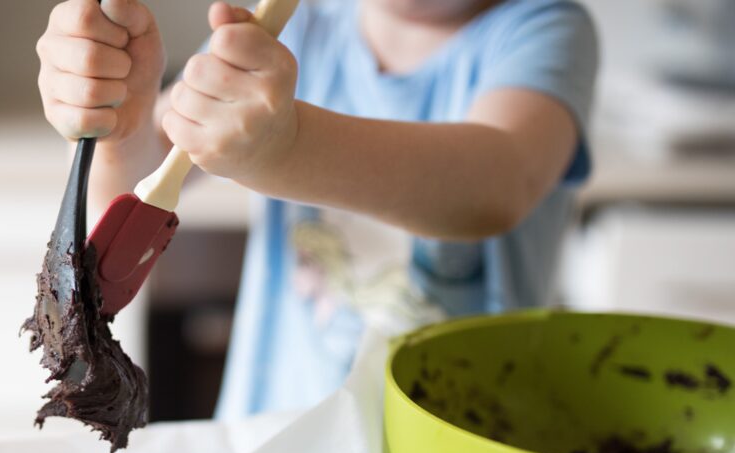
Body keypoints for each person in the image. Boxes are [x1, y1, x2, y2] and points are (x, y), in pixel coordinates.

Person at [36, 0, 599, 419]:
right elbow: (139, 180)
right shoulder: (297, 28)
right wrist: (120, 127)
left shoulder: (542, 30)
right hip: (278, 442)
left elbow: (495, 183)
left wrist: (287, 148)